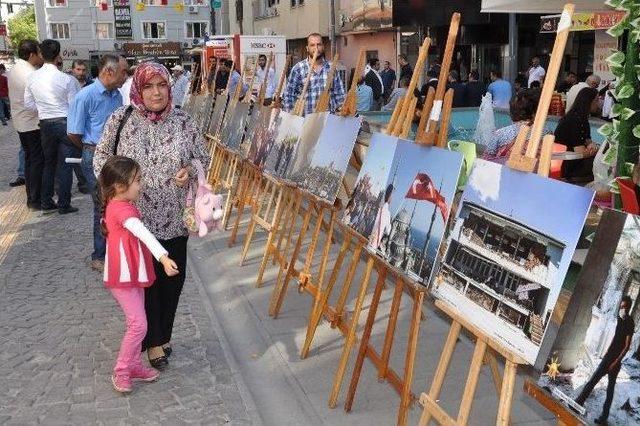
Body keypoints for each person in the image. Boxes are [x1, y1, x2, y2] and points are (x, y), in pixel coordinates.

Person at [94, 61, 210, 370]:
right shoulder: (121, 119)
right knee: (144, 282)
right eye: (148, 86)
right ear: (138, 89)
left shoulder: (184, 120)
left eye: (161, 85)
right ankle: (152, 340)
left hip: (174, 218)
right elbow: (101, 160)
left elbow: (203, 158)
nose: (156, 92)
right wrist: (118, 192)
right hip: (134, 220)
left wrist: (191, 171)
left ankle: (161, 334)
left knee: (171, 280)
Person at [98, 155, 178, 394]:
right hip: (123, 278)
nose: (141, 185)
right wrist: (164, 258)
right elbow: (144, 234)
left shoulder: (118, 203)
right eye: (137, 180)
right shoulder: (123, 210)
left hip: (130, 274)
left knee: (137, 323)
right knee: (138, 326)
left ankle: (133, 365)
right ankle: (122, 370)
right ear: (120, 186)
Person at [68, 54, 128, 272]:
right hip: (93, 155)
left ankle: (117, 250)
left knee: (118, 204)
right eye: (123, 71)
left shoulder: (117, 96)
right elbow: (74, 133)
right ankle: (100, 255)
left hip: (115, 157)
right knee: (102, 206)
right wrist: (90, 150)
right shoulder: (85, 96)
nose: (125, 76)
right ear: (109, 72)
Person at [24, 39, 82, 214]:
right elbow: (75, 106)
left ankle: (46, 202)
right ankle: (64, 204)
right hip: (65, 122)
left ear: (41, 54)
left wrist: (43, 110)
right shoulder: (67, 79)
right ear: (59, 56)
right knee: (65, 165)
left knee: (48, 164)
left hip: (45, 124)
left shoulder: (32, 77)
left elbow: (28, 104)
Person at [575, 296, 635, 425]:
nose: (622, 309)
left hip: (615, 361)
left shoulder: (630, 322)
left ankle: (604, 417)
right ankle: (578, 402)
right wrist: (607, 350)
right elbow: (616, 336)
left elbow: (627, 346)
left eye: (624, 307)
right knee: (593, 380)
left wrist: (615, 362)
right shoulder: (620, 319)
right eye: (621, 306)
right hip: (608, 357)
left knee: (610, 390)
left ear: (628, 308)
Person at [8, 39, 44, 209]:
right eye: (38, 52)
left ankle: (32, 196)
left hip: (21, 122)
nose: (40, 55)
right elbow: (38, 98)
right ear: (31, 54)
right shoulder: (29, 73)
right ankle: (35, 198)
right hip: (32, 122)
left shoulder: (15, 68)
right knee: (36, 161)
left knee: (30, 160)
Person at [283, 33, 345, 116]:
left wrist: (342, 111)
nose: (316, 48)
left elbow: (339, 95)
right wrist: (292, 116)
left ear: (323, 46)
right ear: (307, 48)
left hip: (327, 121)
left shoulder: (332, 68)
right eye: (312, 45)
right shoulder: (298, 68)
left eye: (319, 44)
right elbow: (288, 95)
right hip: (305, 122)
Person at [553, 87, 599, 181]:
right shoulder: (574, 120)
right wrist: (595, 151)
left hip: (572, 160)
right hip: (565, 164)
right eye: (597, 100)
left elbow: (587, 139)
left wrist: (592, 145)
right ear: (589, 102)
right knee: (600, 165)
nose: (599, 103)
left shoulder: (581, 117)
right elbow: (580, 153)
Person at [481, 88, 540, 160]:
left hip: (507, 169)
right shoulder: (545, 133)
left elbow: (485, 160)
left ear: (512, 111)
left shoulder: (500, 134)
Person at [370, 184, 393, 250]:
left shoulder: (377, 208)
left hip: (367, 237)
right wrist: (390, 224)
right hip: (374, 243)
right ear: (389, 197)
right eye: (391, 196)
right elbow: (388, 231)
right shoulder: (387, 214)